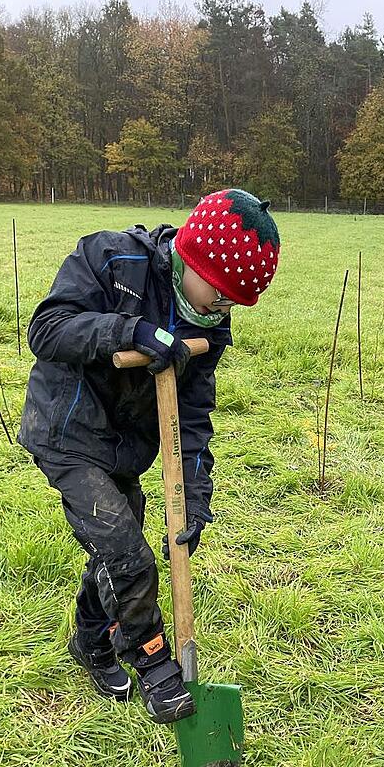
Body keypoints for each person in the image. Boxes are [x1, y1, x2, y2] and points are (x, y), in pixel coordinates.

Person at [18, 189, 280, 724]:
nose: (225, 308)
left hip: (126, 447)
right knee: (127, 552)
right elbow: (46, 330)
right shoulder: (112, 259)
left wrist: (194, 500)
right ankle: (154, 661)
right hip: (66, 430)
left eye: (236, 302)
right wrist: (128, 331)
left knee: (112, 551)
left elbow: (193, 418)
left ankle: (91, 642)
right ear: (194, 258)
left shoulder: (207, 327)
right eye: (223, 294)